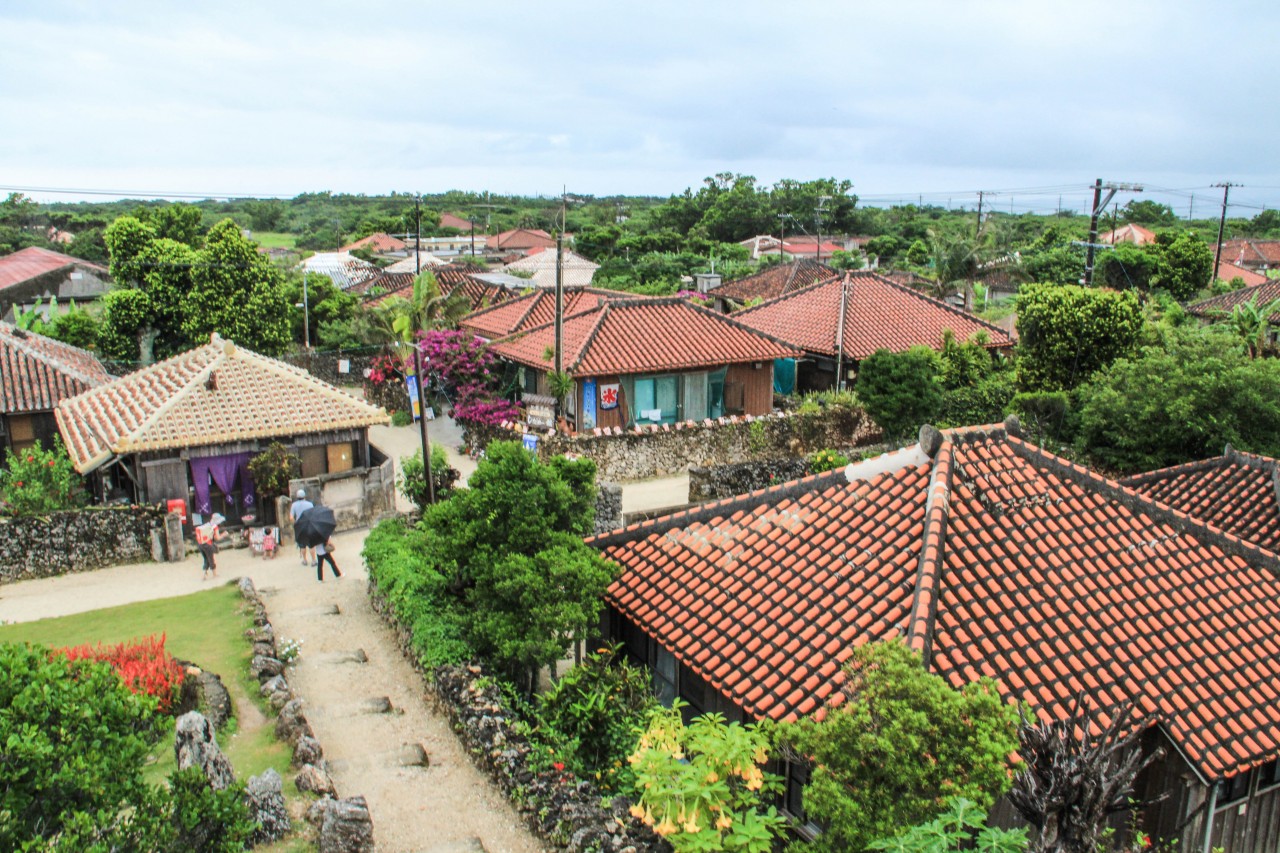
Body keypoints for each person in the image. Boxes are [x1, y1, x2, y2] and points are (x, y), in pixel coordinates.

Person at [195, 513, 228, 579]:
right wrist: (224, 535)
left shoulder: (207, 525)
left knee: (206, 559)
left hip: (200, 544)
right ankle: (214, 574)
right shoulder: (215, 527)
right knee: (211, 559)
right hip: (207, 545)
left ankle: (204, 575)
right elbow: (218, 538)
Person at [290, 488, 314, 566]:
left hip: (300, 526)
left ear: (297, 496)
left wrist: (296, 523)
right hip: (308, 525)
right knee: (311, 544)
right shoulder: (310, 504)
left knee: (302, 545)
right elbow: (313, 514)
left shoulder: (294, 505)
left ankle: (305, 560)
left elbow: (291, 517)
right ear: (304, 496)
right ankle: (314, 560)